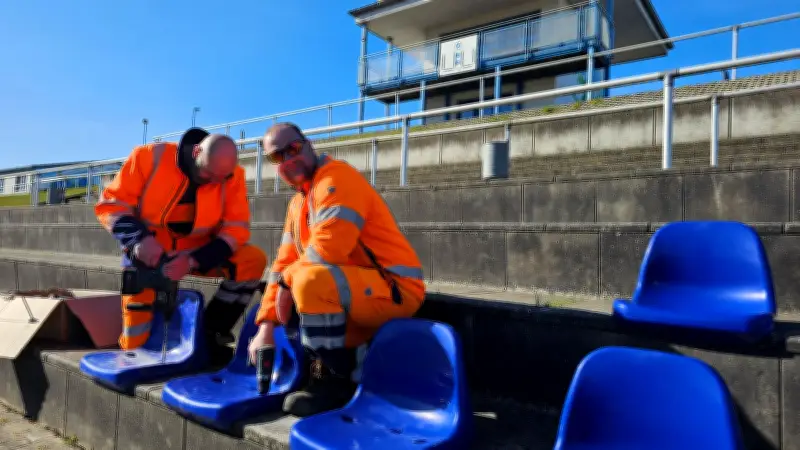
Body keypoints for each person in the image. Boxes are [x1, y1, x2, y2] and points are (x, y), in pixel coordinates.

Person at [247, 122, 426, 417]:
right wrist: (265, 327)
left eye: (292, 149)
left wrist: (285, 285)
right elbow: (282, 263)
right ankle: (351, 363)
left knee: (307, 281)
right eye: (276, 157)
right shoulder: (297, 204)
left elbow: (328, 250)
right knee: (294, 283)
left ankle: (333, 381)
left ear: (308, 144)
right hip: (355, 290)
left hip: (395, 289)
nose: (287, 159)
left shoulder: (337, 179)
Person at [95, 128, 268, 364]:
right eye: (209, 175)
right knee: (136, 345)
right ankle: (133, 347)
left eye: (221, 178)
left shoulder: (231, 175)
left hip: (196, 251)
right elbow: (112, 206)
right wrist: (139, 241)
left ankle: (209, 334)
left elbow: (236, 230)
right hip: (148, 250)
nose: (215, 182)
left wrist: (193, 260)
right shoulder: (148, 157)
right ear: (196, 151)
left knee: (252, 260)